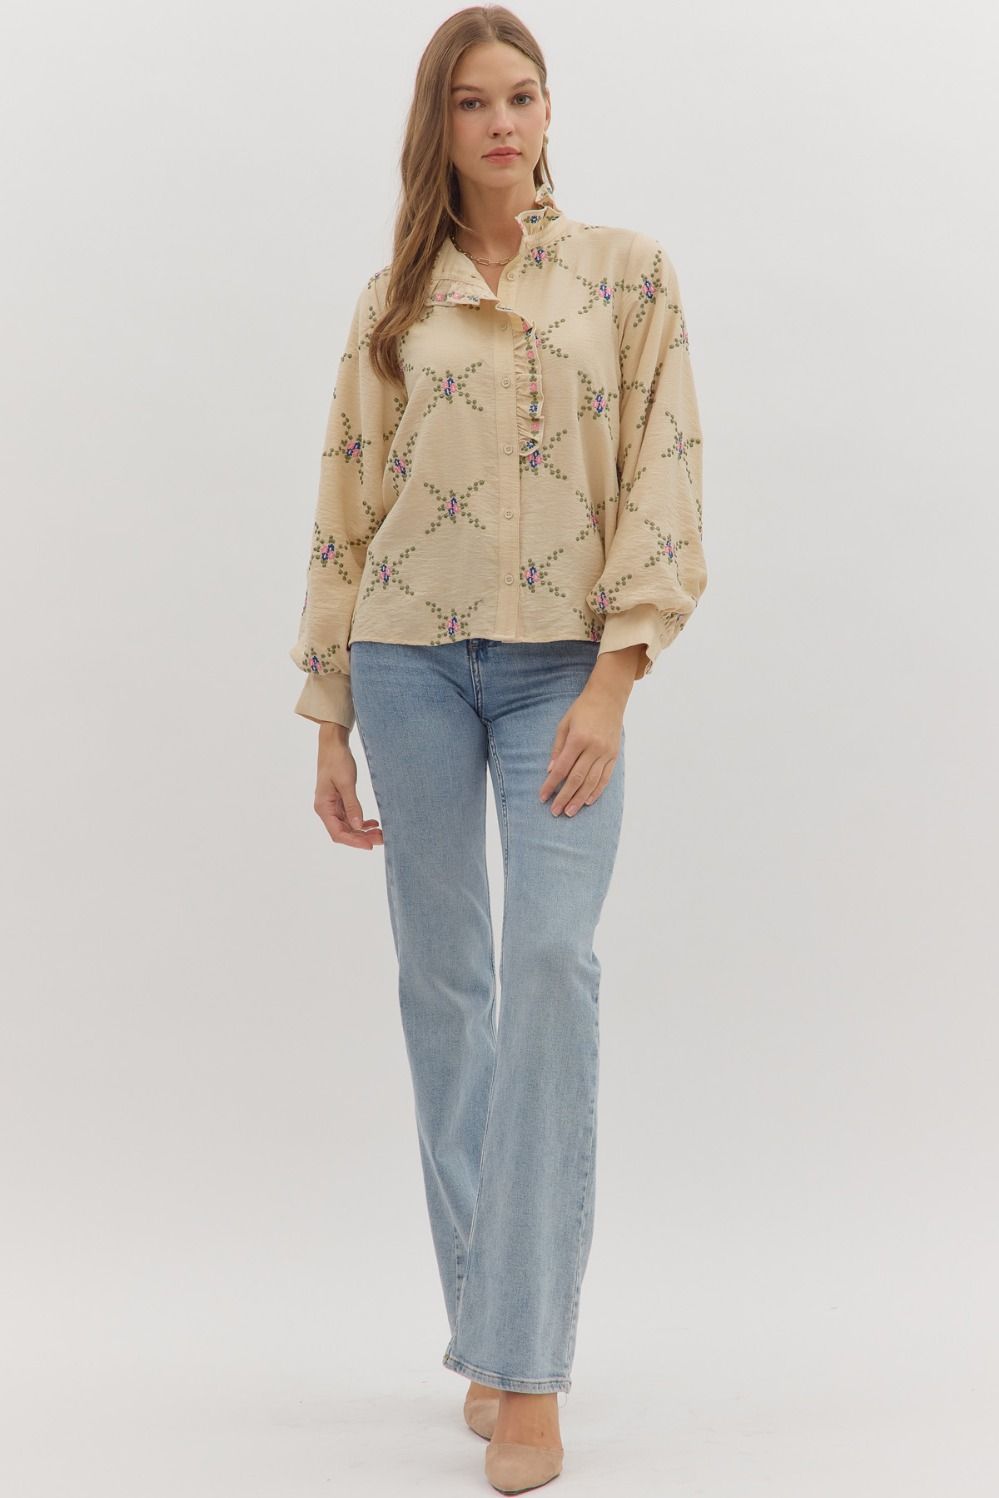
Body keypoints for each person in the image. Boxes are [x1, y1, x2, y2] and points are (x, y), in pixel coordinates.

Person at [289, 7, 707, 1491]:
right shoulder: (393, 299)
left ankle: (523, 1363)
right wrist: (330, 715)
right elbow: (347, 503)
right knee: (445, 985)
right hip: (405, 659)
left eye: (521, 96)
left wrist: (613, 682)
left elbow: (664, 474)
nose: (503, 124)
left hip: (559, 675)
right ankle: (493, 1317)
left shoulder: (626, 275)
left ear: (548, 109)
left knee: (548, 965)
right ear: (441, 125)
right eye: (473, 103)